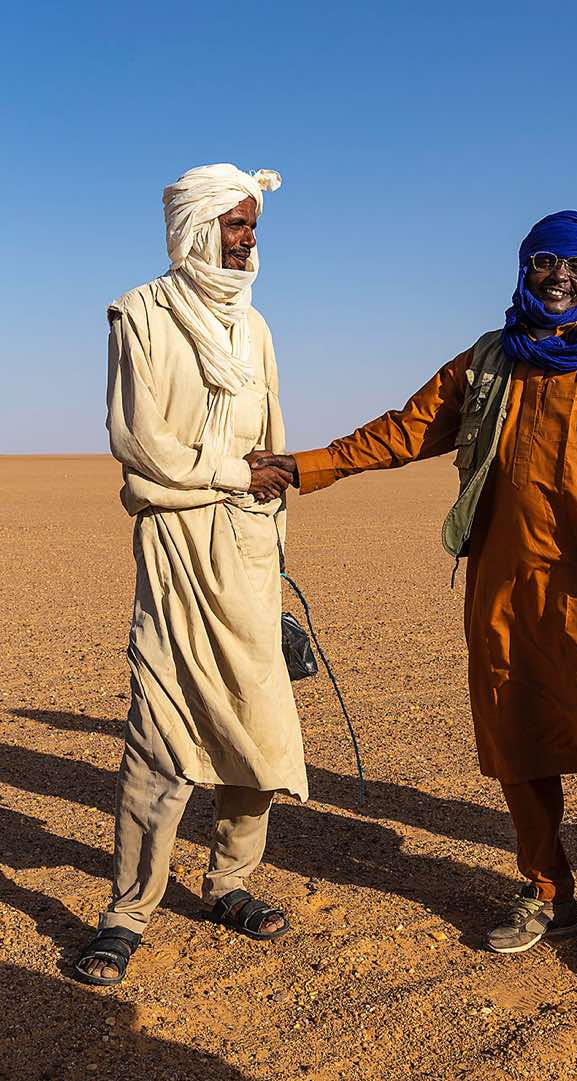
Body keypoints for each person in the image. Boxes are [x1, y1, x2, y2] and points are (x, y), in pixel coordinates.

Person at [252, 211, 577, 978]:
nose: (560, 277)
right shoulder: (487, 361)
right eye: (547, 262)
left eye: (576, 268)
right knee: (516, 743)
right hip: (501, 587)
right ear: (525, 268)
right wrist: (304, 465)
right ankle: (545, 891)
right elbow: (404, 429)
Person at [75, 164, 301, 986]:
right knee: (159, 736)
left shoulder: (258, 327)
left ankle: (230, 883)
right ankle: (126, 911)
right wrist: (236, 475)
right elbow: (140, 442)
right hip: (174, 546)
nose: (246, 241)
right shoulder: (139, 313)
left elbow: (272, 445)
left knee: (258, 727)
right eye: (235, 225)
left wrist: (272, 540)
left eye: (253, 227)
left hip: (246, 549)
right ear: (194, 228)